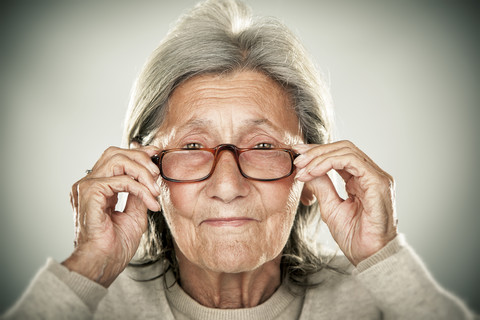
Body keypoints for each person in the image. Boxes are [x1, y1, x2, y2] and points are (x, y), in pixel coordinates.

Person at [2, 0, 477, 319]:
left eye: (264, 146)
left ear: (311, 174)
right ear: (146, 171)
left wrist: (383, 257)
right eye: (191, 147)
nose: (227, 185)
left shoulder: (377, 302)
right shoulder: (92, 306)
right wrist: (90, 266)